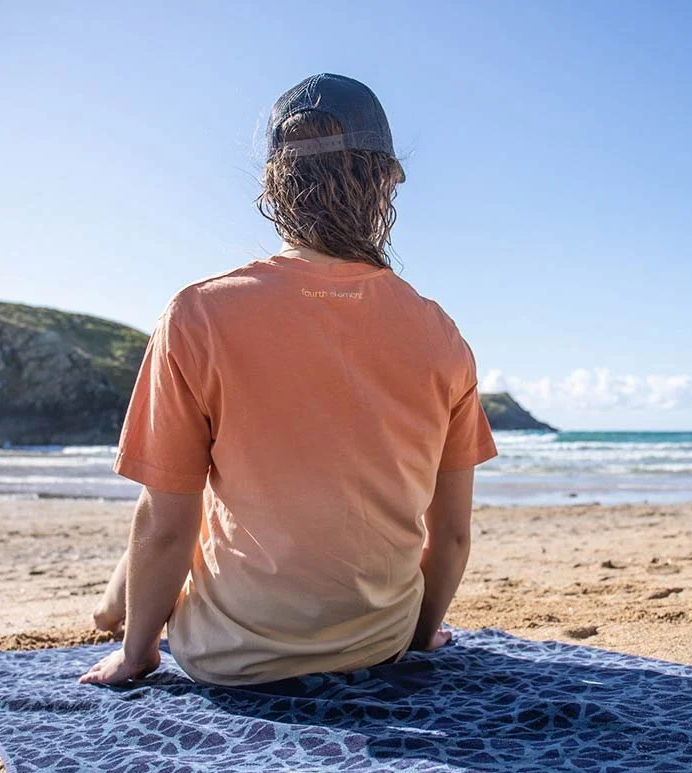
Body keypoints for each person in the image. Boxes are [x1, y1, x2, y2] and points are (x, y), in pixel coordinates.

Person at [79, 73, 498, 687]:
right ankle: (116, 602)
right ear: (387, 182)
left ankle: (115, 610)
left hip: (230, 659)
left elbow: (168, 525)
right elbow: (453, 535)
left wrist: (136, 654)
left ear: (275, 184)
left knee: (183, 520)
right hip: (377, 644)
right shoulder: (439, 333)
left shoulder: (200, 313)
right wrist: (417, 634)